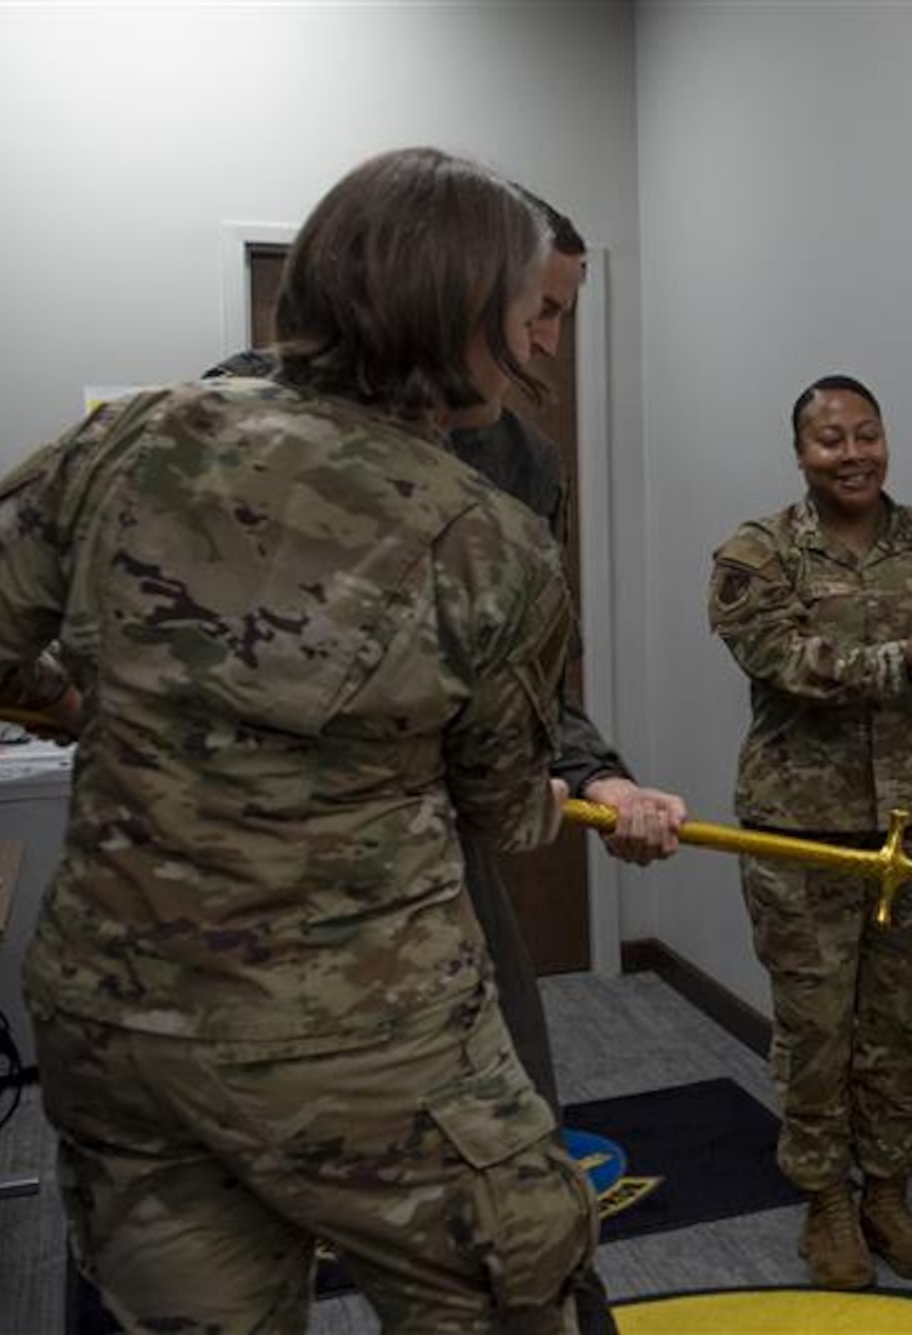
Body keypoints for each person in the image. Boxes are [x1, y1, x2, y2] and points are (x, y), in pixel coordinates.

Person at [0, 147, 602, 1333]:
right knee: (518, 1286)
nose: (537, 342)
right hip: (356, 1039)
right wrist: (574, 801)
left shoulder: (128, 438)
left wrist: (95, 693)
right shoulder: (488, 539)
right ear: (450, 303)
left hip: (115, 1025)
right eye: (522, 307)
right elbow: (501, 806)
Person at [201, 189, 680, 1335]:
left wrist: (599, 776)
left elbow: (529, 683)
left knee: (520, 1194)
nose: (544, 349)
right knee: (227, 1227)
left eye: (561, 318)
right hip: (227, 889)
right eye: (536, 314)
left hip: (429, 868)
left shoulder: (515, 465)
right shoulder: (212, 422)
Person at [706, 375, 912, 1290]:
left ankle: (888, 1189)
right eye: (830, 440)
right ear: (800, 455)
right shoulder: (757, 553)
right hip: (804, 832)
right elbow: (783, 660)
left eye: (867, 434)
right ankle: (824, 1201)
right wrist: (909, 658)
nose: (853, 455)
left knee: (899, 1021)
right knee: (816, 1024)